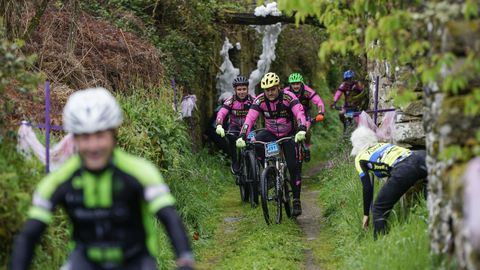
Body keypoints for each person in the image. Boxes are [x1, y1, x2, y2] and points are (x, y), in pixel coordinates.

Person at [10, 88, 195, 270]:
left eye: (100, 135)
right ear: (73, 139)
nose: (93, 146)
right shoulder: (59, 181)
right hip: (85, 262)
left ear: (113, 134)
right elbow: (29, 236)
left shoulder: (141, 172)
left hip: (135, 261)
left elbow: (169, 218)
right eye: (85, 137)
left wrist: (185, 260)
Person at [236, 72, 308, 216]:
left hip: (288, 134)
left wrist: (302, 128)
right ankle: (269, 174)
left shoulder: (288, 97)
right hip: (270, 134)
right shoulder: (260, 100)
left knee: (294, 167)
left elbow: (299, 114)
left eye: (273, 89)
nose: (270, 92)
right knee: (255, 143)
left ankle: (296, 200)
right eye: (267, 90)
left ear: (278, 87)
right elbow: (249, 119)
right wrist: (243, 135)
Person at [350, 126, 427, 239]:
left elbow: (367, 188)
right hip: (421, 156)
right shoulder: (383, 145)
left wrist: (366, 214)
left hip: (404, 168)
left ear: (355, 144)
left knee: (379, 208)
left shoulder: (360, 158)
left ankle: (380, 245)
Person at [215, 76, 255, 174]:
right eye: (239, 89)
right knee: (230, 138)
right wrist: (219, 125)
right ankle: (235, 161)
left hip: (250, 128)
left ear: (248, 89)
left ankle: (256, 167)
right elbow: (222, 113)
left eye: (244, 89)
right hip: (235, 127)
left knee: (255, 145)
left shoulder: (253, 100)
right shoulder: (230, 101)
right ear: (235, 90)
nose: (242, 92)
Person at [284, 72, 325, 161]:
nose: (296, 86)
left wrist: (321, 113)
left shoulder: (307, 91)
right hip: (290, 114)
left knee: (306, 129)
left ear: (301, 83)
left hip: (305, 113)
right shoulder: (285, 92)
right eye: (293, 84)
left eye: (297, 83)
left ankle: (306, 145)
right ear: (290, 84)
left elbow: (319, 101)